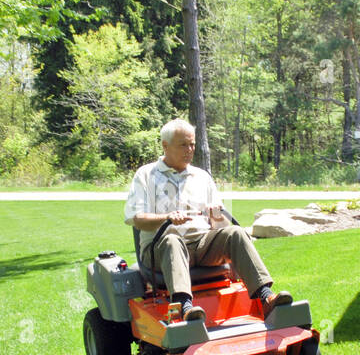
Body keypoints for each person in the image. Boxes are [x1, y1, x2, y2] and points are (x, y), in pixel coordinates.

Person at [125, 118, 291, 323]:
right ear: (165, 146)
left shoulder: (201, 177)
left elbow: (220, 227)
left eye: (192, 144)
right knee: (172, 240)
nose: (190, 149)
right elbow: (137, 219)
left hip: (202, 246)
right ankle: (184, 307)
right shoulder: (146, 175)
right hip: (160, 249)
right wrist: (167, 218)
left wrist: (217, 217)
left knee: (236, 233)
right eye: (183, 144)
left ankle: (265, 297)